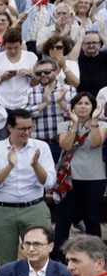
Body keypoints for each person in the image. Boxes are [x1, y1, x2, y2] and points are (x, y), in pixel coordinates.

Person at [0, 108, 55, 265]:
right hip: (2, 209)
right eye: (22, 129)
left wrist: (36, 165)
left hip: (34, 207)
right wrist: (9, 166)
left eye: (30, 128)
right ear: (10, 128)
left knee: (40, 258)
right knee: (5, 261)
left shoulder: (41, 147)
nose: (27, 132)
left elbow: (49, 183)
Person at [54, 92, 105, 245]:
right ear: (73, 107)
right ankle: (59, 259)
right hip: (69, 178)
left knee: (92, 219)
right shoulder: (64, 125)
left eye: (87, 103)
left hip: (95, 178)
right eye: (79, 103)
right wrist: (74, 125)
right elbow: (66, 145)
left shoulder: (103, 125)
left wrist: (94, 121)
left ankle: (95, 256)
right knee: (64, 219)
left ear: (94, 107)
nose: (83, 107)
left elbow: (96, 142)